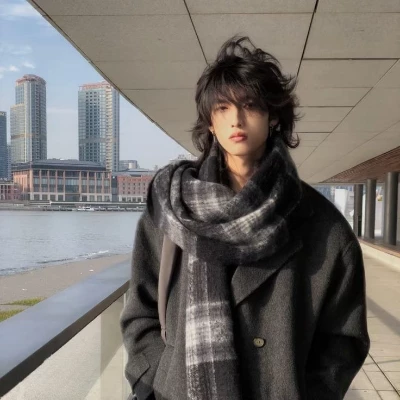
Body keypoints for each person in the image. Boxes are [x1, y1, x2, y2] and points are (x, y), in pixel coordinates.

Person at [120, 36, 370, 400]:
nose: (236, 120)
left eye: (250, 105)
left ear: (273, 116)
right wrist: (157, 375)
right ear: (210, 123)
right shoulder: (175, 209)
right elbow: (139, 308)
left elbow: (343, 338)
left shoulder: (322, 224)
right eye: (222, 108)